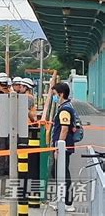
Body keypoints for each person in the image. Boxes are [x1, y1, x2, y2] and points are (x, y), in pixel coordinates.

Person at [50, 82, 76, 212]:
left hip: (63, 147)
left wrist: (58, 148)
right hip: (64, 146)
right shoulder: (66, 106)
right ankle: (62, 200)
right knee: (58, 172)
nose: (53, 97)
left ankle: (67, 202)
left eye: (54, 94)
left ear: (61, 94)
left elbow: (64, 129)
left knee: (61, 173)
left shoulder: (64, 110)